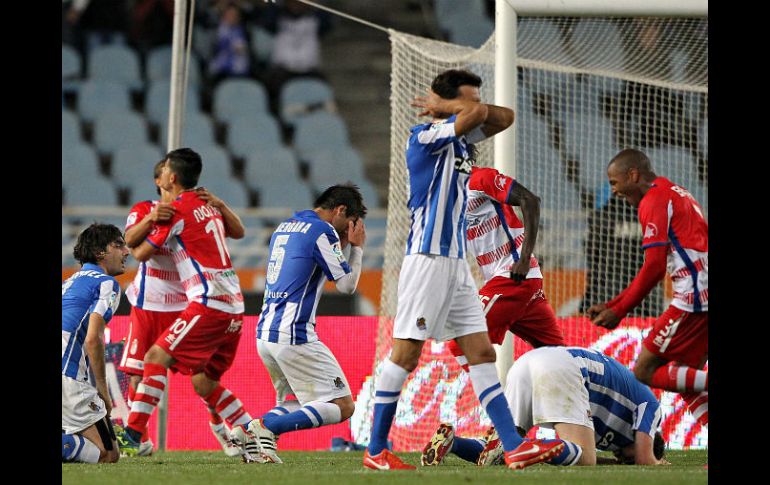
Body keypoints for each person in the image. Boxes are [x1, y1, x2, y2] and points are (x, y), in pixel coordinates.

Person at [363, 69, 565, 471]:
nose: (476, 105)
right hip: (428, 259)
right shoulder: (426, 139)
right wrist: (453, 110)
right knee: (405, 354)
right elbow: (474, 115)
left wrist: (457, 106)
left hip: (456, 267)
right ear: (444, 103)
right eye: (467, 99)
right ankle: (375, 451)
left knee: (481, 352)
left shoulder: (461, 144)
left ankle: (514, 445)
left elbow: (504, 117)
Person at [115, 148, 266, 463]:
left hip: (203, 302)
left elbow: (137, 252)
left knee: (154, 359)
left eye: (165, 169)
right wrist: (151, 219)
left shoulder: (178, 210)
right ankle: (254, 437)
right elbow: (237, 232)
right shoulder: (200, 206)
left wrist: (156, 223)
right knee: (203, 381)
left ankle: (131, 436)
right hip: (220, 304)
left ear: (169, 177)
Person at [232, 183, 367, 463]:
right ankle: (266, 427)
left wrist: (341, 242)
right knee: (343, 405)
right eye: (349, 224)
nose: (347, 232)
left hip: (265, 333)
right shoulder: (323, 231)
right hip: (294, 333)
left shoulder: (285, 227)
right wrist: (357, 248)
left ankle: (248, 435)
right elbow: (347, 286)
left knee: (292, 403)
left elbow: (308, 262)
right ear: (340, 210)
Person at [585, 149, 708, 429]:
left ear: (633, 174)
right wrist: (612, 305)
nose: (613, 191)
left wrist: (620, 310)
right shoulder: (676, 192)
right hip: (700, 291)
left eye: (614, 183)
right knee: (684, 377)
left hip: (694, 298)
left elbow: (653, 267)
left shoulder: (653, 200)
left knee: (645, 369)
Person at [421, 346, 669, 467]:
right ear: (646, 438)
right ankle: (529, 447)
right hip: (564, 368)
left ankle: (453, 443)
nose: (621, 459)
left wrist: (616, 463)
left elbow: (616, 454)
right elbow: (645, 459)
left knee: (504, 450)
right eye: (626, 459)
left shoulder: (616, 435)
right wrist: (658, 464)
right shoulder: (653, 408)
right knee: (586, 459)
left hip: (529, 362)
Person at [446, 165, 565, 372]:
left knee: (461, 338)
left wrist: (525, 258)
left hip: (513, 275)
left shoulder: (481, 179)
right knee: (560, 359)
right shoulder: (449, 198)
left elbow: (530, 200)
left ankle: (497, 403)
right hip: (515, 282)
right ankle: (585, 396)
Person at [62, 223, 130, 463]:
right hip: (67, 377)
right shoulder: (106, 283)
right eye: (118, 245)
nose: (127, 252)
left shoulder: (69, 282)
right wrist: (102, 389)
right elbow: (93, 338)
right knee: (109, 454)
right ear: (101, 252)